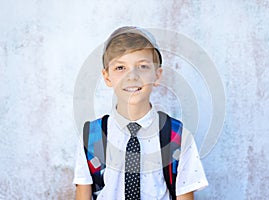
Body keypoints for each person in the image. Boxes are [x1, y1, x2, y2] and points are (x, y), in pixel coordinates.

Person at [73, 26, 208, 200]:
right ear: (107, 77)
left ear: (157, 75)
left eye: (143, 66)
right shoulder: (91, 135)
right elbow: (83, 194)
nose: (132, 76)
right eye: (120, 68)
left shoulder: (178, 136)